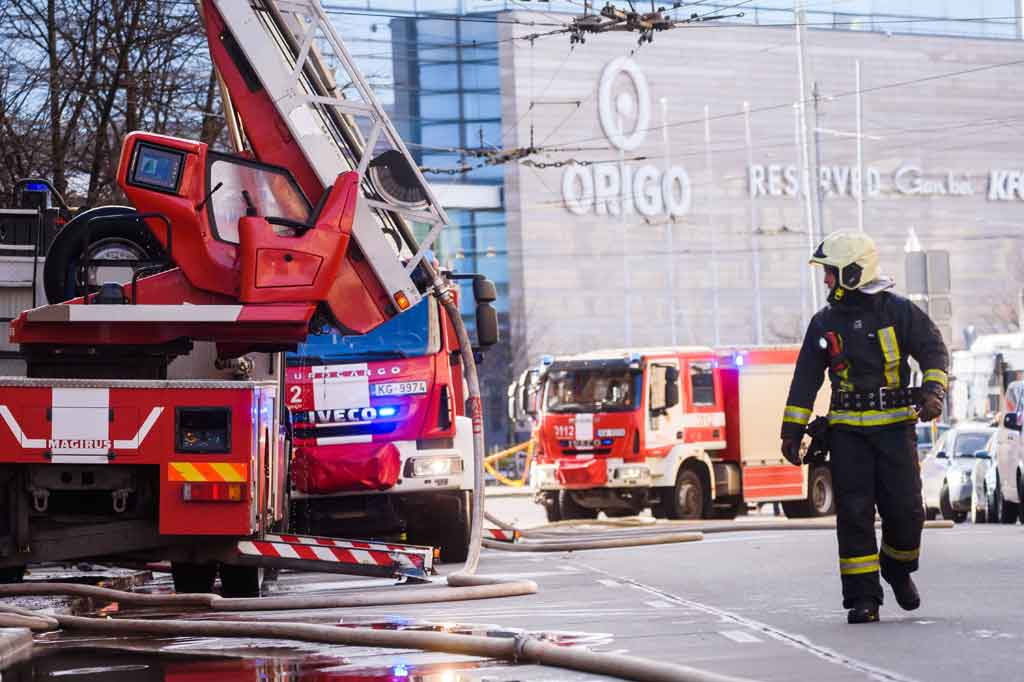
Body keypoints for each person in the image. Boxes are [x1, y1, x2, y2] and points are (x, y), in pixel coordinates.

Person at [780, 230, 948, 625]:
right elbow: (805, 381)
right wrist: (791, 432)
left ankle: (896, 567)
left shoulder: (898, 312)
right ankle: (863, 599)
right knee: (854, 515)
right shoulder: (823, 323)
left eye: (831, 272)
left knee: (907, 511)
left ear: (853, 273)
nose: (826, 280)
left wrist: (933, 391)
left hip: (895, 430)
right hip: (847, 436)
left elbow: (933, 350)